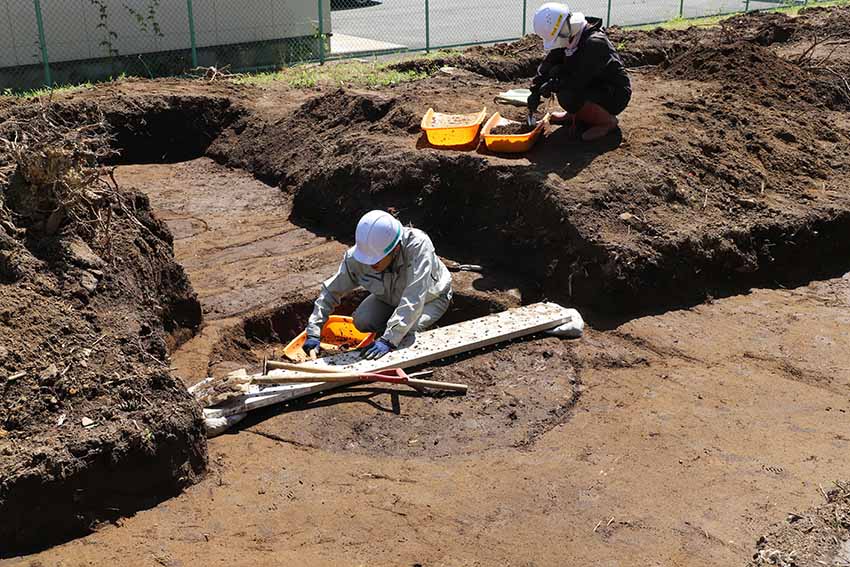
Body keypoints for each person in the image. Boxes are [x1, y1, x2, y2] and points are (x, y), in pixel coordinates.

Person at [302, 210, 453, 360]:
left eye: (376, 260)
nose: (370, 263)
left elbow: (414, 297)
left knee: (406, 332)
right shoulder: (358, 257)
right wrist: (314, 331)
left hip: (431, 299)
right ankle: (390, 329)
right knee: (362, 320)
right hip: (390, 299)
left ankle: (396, 332)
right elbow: (331, 291)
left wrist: (389, 340)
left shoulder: (418, 247)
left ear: (396, 248)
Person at [527, 2, 631, 142]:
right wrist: (535, 90)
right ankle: (578, 114)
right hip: (592, 85)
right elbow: (549, 63)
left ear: (564, 28)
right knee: (558, 76)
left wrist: (554, 84)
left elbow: (577, 79)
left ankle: (606, 122)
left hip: (614, 94)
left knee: (568, 93)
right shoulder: (570, 36)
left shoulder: (594, 42)